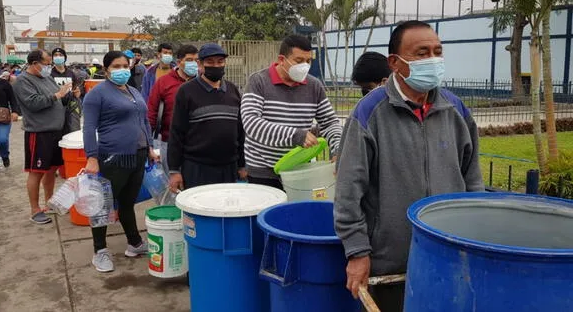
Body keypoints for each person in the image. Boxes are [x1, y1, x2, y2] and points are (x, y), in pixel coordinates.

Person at [334, 20, 484, 311]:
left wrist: (473, 237)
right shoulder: (369, 113)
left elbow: (473, 179)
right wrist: (357, 252)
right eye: (421, 53)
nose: (432, 60)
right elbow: (348, 190)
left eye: (437, 52)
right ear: (395, 62)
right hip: (390, 264)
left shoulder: (456, 111)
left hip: (449, 256)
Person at [83, 50, 158, 273]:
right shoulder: (97, 94)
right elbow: (89, 127)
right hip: (113, 157)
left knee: (127, 202)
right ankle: (100, 251)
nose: (122, 70)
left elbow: (144, 120)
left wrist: (151, 147)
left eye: (125, 65)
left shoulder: (133, 90)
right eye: (116, 66)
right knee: (103, 205)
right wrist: (92, 157)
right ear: (106, 70)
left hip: (138, 155)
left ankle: (134, 243)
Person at [241, 35, 343, 189]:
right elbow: (251, 123)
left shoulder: (314, 86)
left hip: (299, 170)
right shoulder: (258, 81)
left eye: (308, 61)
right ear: (282, 59)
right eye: (299, 61)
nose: (305, 66)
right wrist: (296, 135)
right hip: (263, 172)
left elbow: (330, 122)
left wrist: (338, 149)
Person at [168, 43, 246, 192]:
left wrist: (242, 165)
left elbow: (240, 131)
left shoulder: (233, 90)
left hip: (229, 167)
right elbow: (176, 132)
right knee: (199, 212)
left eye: (220, 62)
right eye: (210, 62)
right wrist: (174, 171)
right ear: (200, 64)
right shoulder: (186, 91)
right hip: (197, 168)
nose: (216, 66)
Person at [13, 49, 76, 225]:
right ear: (35, 64)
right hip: (39, 132)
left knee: (52, 169)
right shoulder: (22, 82)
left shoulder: (46, 78)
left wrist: (68, 95)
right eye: (47, 63)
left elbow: (58, 98)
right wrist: (57, 95)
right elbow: (33, 103)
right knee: (36, 172)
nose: (49, 67)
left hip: (56, 131)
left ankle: (50, 203)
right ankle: (35, 210)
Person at [148, 45, 199, 176]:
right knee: (172, 184)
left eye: (196, 60)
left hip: (198, 143)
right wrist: (149, 144)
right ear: (178, 62)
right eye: (189, 60)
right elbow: (152, 113)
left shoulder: (202, 82)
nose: (193, 63)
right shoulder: (164, 82)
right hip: (169, 142)